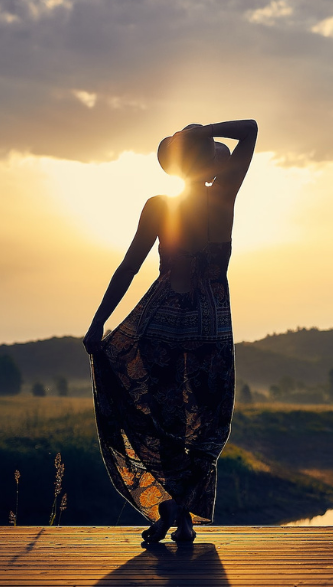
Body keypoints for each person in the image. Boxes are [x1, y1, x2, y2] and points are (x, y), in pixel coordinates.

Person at [83, 120, 258, 544]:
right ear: (206, 162)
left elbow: (129, 267)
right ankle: (179, 513)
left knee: (171, 426)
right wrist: (203, 127)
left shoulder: (162, 204)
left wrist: (99, 319)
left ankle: (176, 512)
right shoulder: (223, 197)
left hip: (161, 323)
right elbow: (250, 129)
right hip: (207, 328)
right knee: (209, 427)